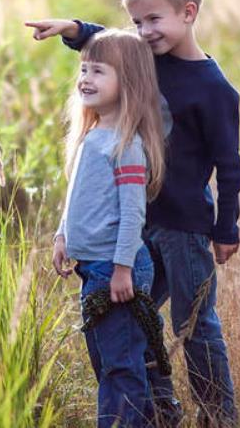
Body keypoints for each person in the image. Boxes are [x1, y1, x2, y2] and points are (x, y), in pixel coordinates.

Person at [27, 0, 240, 427]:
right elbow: (114, 47)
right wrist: (74, 28)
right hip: (140, 220)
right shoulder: (147, 57)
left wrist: (226, 227)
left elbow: (230, 167)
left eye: (154, 19)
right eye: (136, 21)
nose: (144, 31)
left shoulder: (215, 90)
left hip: (185, 227)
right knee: (141, 316)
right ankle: (160, 410)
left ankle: (218, 416)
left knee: (195, 326)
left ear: (189, 13)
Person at [51, 29, 166, 427]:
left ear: (127, 82)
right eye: (84, 69)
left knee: (121, 368)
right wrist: (62, 235)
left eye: (98, 71)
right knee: (106, 364)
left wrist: (122, 269)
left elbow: (133, 214)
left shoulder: (126, 144)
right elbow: (77, 195)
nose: (86, 78)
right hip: (93, 269)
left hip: (117, 269)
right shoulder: (91, 135)